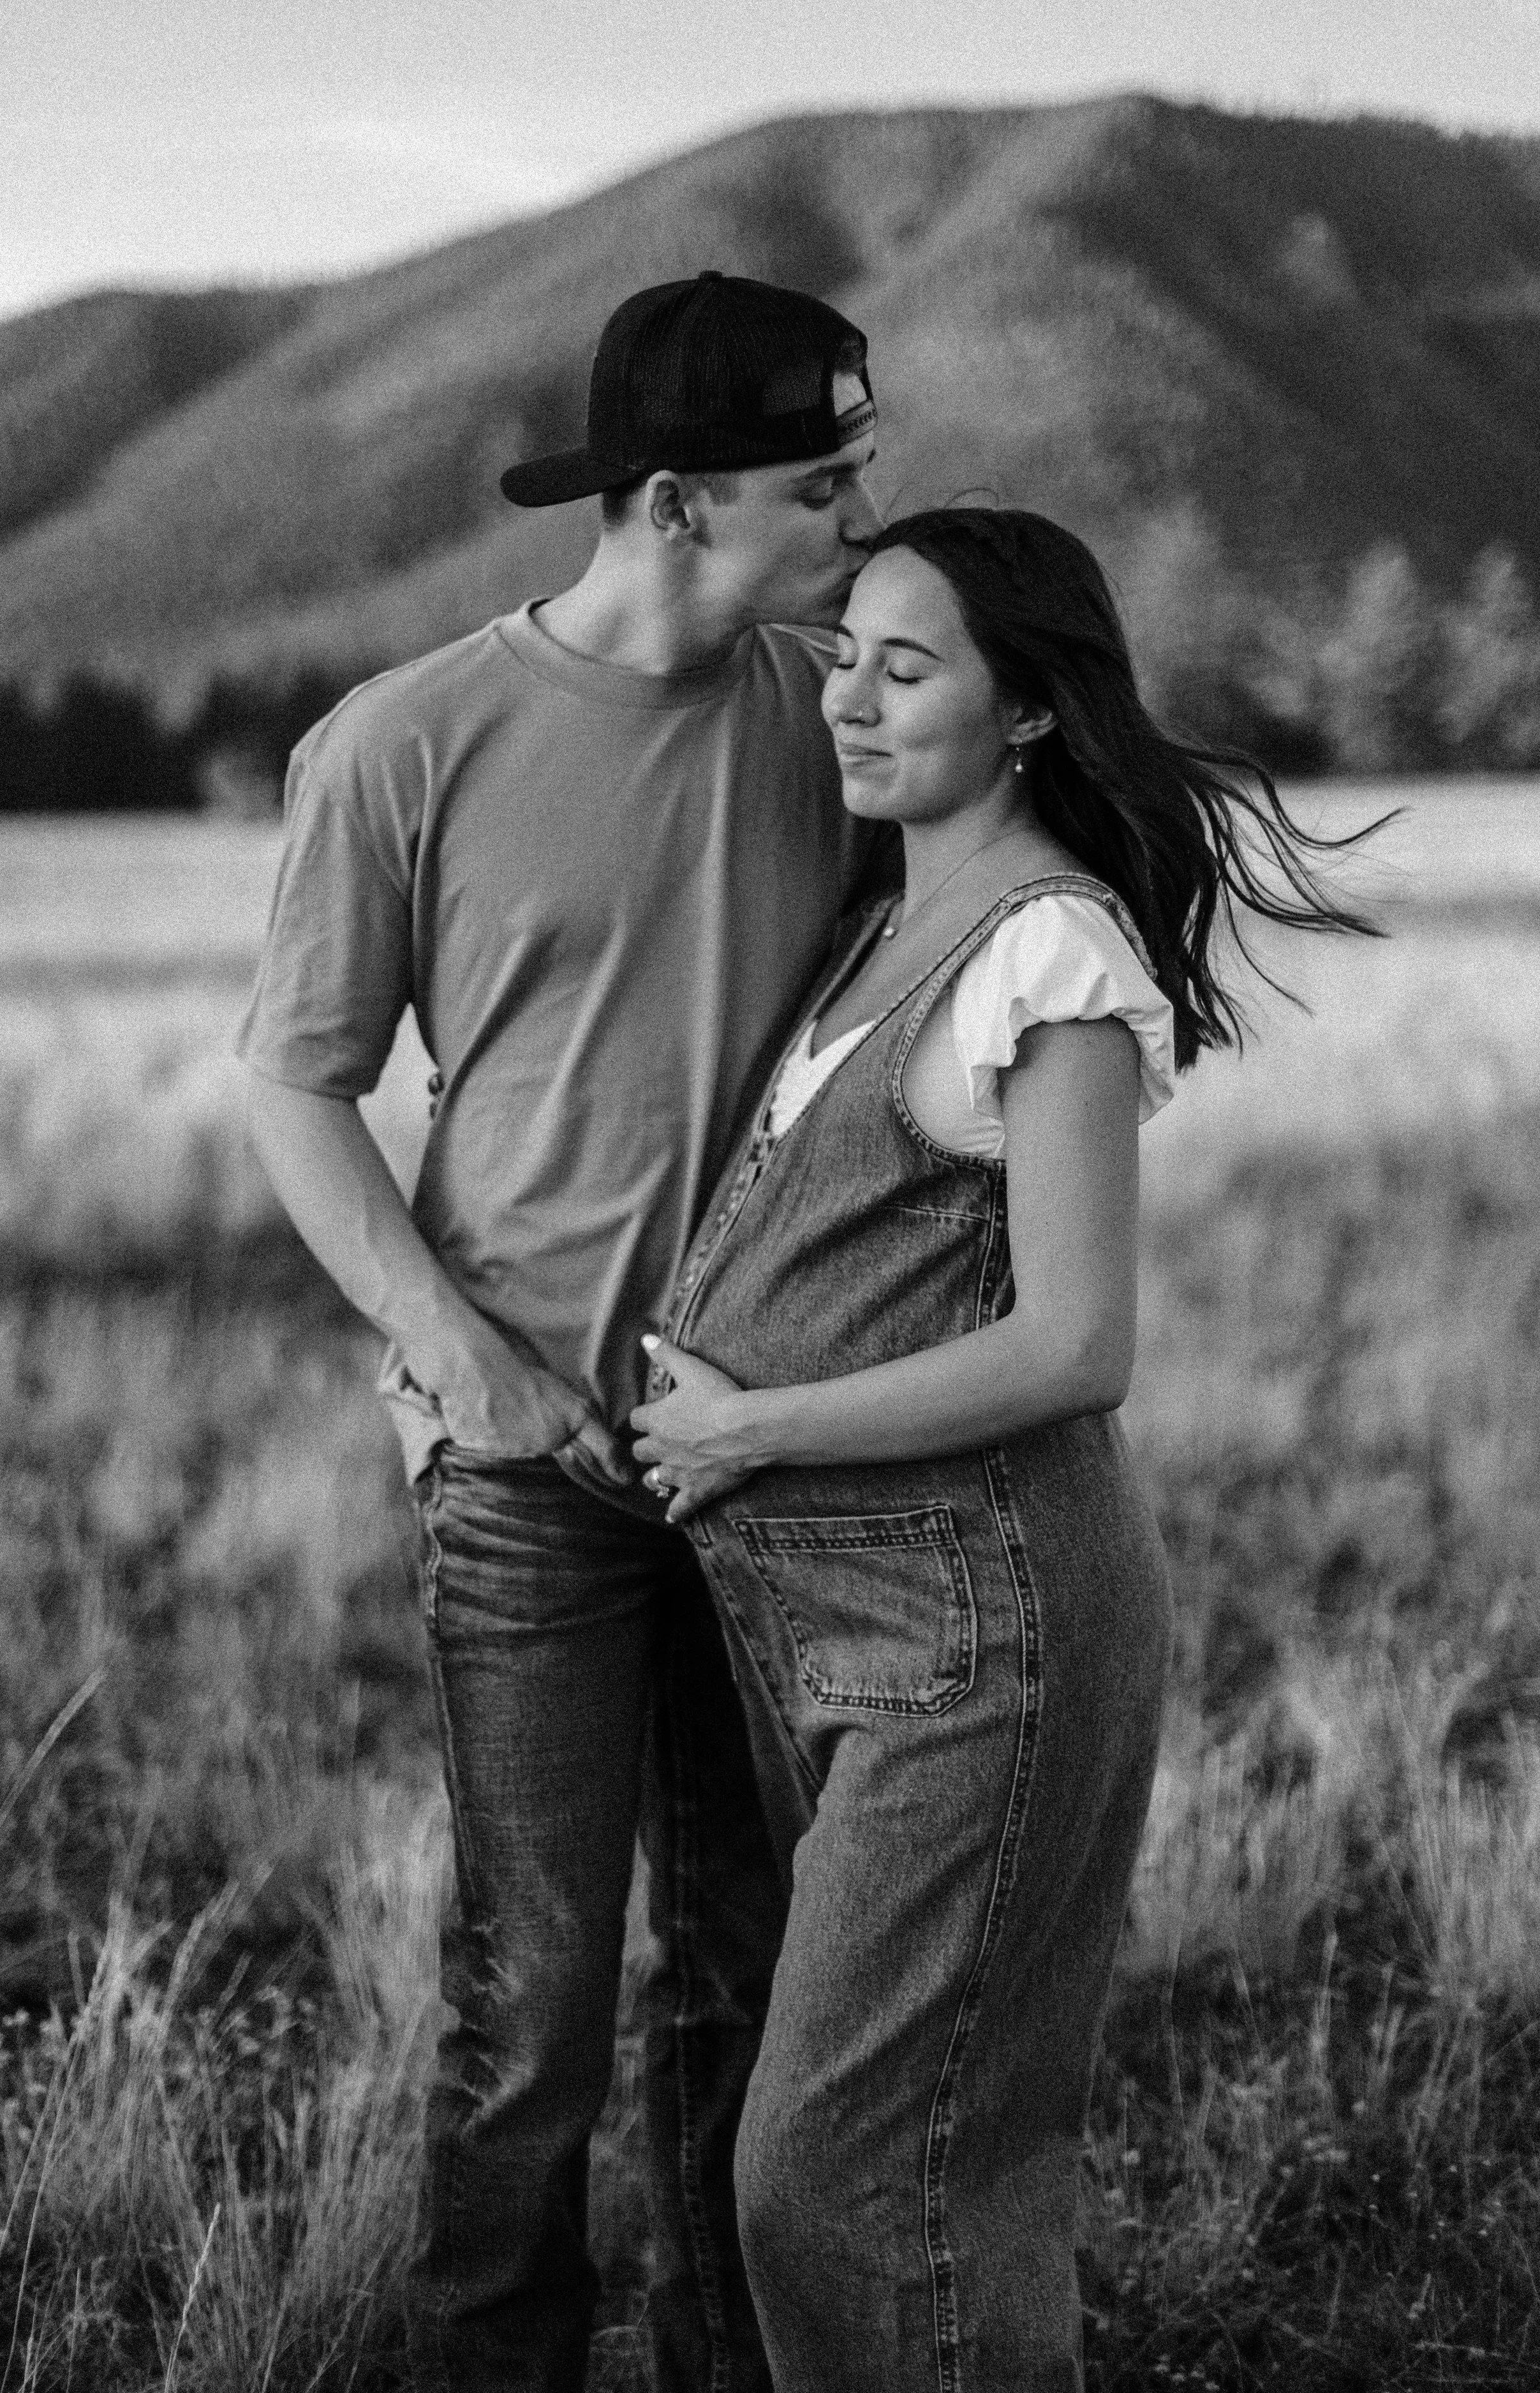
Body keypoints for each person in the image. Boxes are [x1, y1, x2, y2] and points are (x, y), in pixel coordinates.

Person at [630, 508, 1381, 2393]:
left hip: (986, 1638)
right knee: (918, 2166)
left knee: (837, 2168)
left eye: (912, 665)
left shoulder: (1045, 947)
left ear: (1029, 711)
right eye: (845, 658)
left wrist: (752, 1427)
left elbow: (1076, 1339)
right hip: (858, 1631)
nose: (854, 702)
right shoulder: (888, 922)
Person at [237, 269, 887, 2393]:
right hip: (523, 1471)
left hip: (775, 1466)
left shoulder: (840, 720)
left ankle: (725, 2362)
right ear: (681, 501)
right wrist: (468, 1362)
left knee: (751, 1974)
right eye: (824, 482)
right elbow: (296, 1088)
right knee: (533, 2004)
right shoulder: (404, 744)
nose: (861, 517)